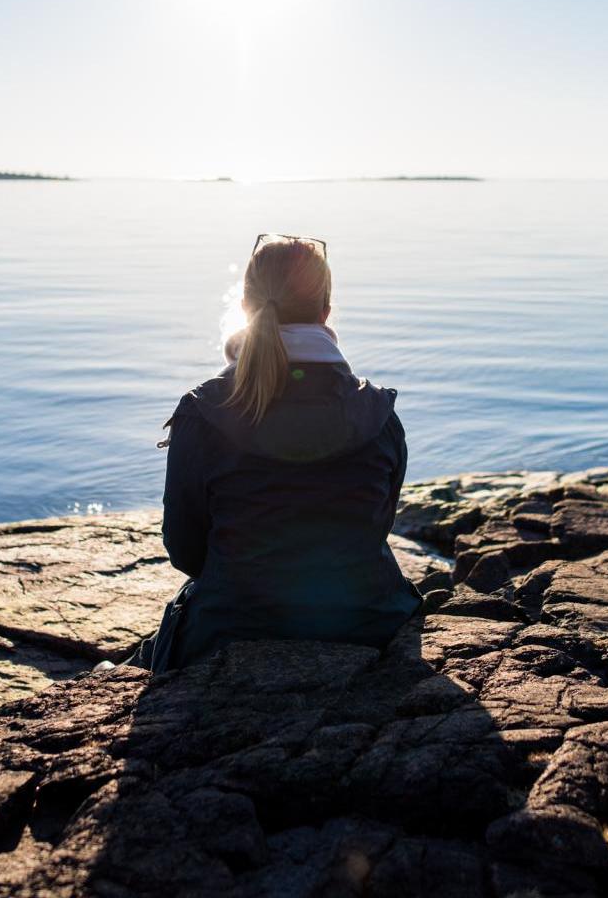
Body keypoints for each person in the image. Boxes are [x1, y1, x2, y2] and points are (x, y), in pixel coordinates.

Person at [122, 234, 419, 673]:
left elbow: (185, 551)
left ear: (245, 306)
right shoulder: (376, 413)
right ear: (326, 311)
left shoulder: (205, 412)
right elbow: (374, 531)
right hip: (368, 626)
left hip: (229, 632)